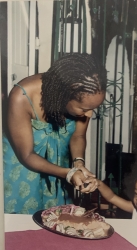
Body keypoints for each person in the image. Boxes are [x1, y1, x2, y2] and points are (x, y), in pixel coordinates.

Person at [3, 52, 106, 214]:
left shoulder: (85, 97)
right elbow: (27, 155)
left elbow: (78, 136)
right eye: (84, 109)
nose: (89, 115)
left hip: (58, 172)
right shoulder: (21, 96)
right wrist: (69, 173)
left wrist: (78, 163)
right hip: (21, 170)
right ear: (63, 95)